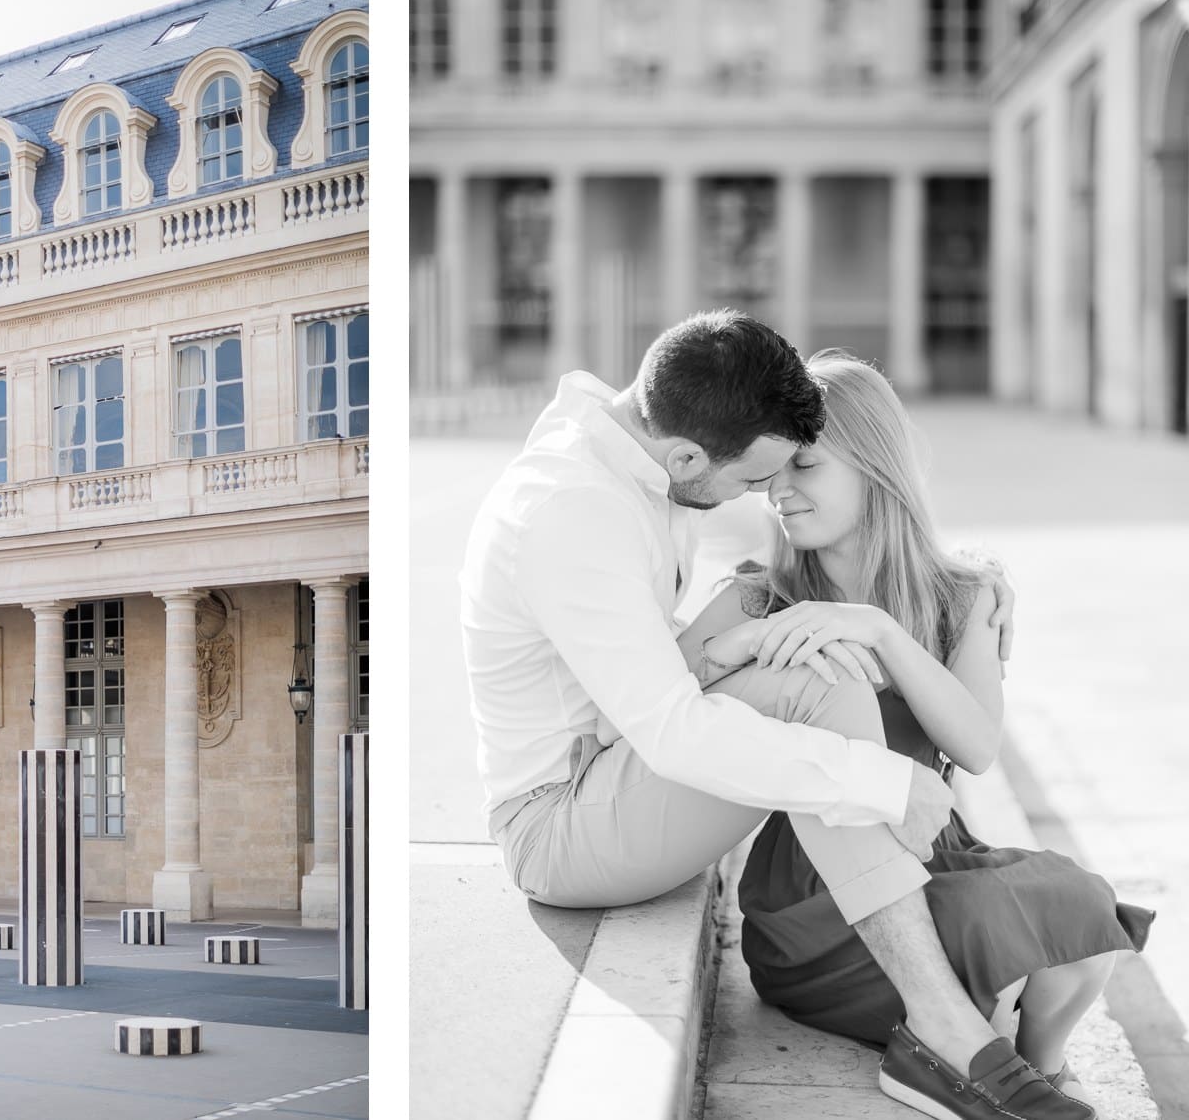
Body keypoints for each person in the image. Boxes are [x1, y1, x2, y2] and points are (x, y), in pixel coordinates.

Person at [460, 308, 1093, 1120]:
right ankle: (941, 1028)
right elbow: (669, 729)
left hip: (618, 785)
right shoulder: (574, 506)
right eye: (753, 480)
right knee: (816, 678)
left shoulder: (637, 472)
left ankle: (965, 1032)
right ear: (685, 456)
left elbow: (972, 741)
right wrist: (883, 780)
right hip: (563, 820)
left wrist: (757, 649)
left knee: (1070, 916)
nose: (760, 499)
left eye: (788, 473)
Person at [676, 352, 1151, 1113]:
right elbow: (659, 693)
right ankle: (991, 1057)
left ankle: (1028, 1071)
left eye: (806, 466)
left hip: (938, 857)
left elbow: (975, 747)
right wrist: (733, 646)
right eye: (771, 478)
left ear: (875, 467)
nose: (781, 494)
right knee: (1016, 923)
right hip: (816, 892)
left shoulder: (960, 596)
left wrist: (879, 633)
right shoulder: (760, 597)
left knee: (1083, 915)